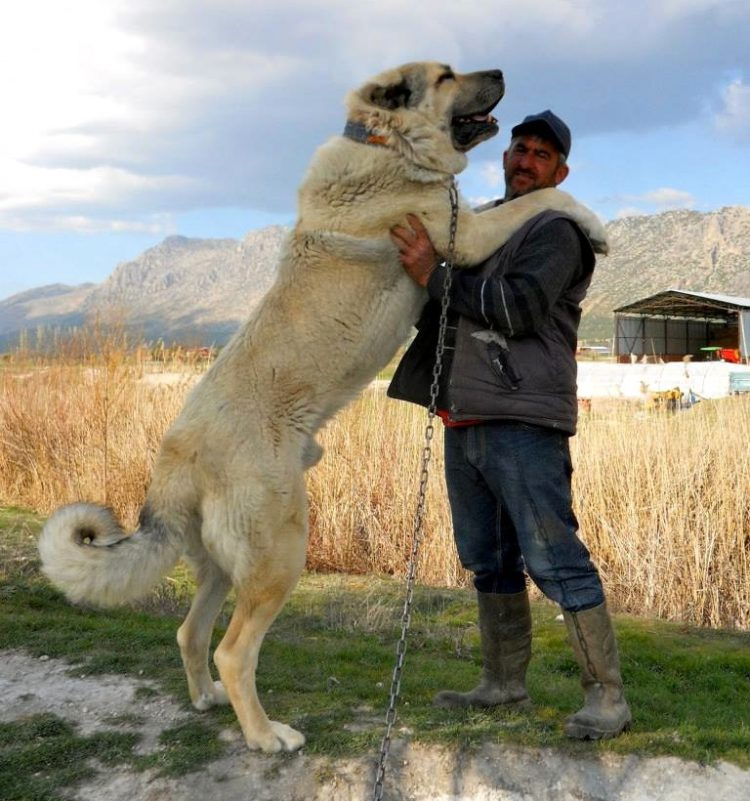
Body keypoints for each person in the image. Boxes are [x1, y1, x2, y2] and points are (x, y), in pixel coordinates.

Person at [387, 111, 631, 740]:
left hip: (524, 420)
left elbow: (518, 307)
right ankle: (502, 684)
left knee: (555, 559)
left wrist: (435, 276)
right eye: (519, 148)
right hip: (464, 414)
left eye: (541, 154)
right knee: (487, 560)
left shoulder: (557, 231)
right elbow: (443, 302)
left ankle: (607, 698)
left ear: (561, 172)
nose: (524, 159)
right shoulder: (488, 225)